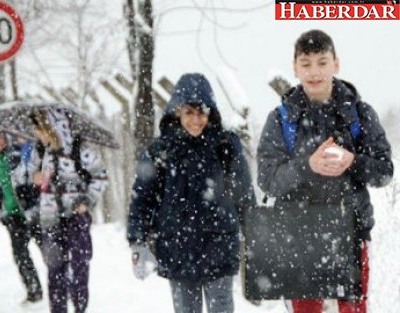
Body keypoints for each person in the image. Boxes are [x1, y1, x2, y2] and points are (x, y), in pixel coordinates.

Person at [256, 29, 393, 313]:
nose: (314, 71)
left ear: (336, 64)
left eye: (322, 61)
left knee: (353, 311)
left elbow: (384, 172)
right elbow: (267, 181)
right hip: (299, 237)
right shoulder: (280, 119)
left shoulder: (360, 114)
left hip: (350, 233)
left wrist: (352, 161)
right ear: (295, 67)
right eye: (306, 64)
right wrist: (307, 166)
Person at [127, 73, 256, 313]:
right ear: (177, 112)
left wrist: (256, 239)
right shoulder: (161, 151)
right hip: (178, 249)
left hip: (219, 245)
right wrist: (138, 241)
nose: (196, 120)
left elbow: (244, 194)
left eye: (202, 113)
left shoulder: (225, 146)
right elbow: (142, 199)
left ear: (211, 113)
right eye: (189, 113)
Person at [26, 108, 107, 313]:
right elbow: (28, 174)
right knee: (55, 268)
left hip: (76, 216)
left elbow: (100, 176)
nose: (37, 135)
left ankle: (80, 306)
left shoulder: (81, 150)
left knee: (80, 264)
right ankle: (58, 309)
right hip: (50, 217)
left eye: (41, 130)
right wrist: (34, 177)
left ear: (52, 128)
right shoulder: (40, 152)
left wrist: (86, 200)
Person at [0, 130, 44, 305]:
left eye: (0, 137)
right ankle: (34, 291)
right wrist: (1, 209)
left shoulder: (22, 152)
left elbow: (30, 178)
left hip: (32, 211)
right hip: (11, 213)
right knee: (20, 254)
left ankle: (62, 286)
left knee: (49, 251)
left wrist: (29, 198)